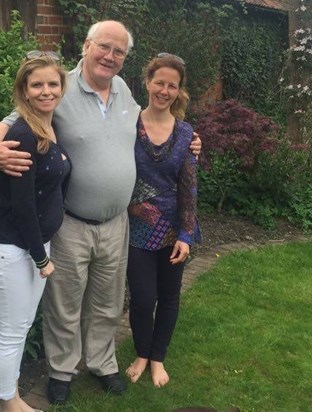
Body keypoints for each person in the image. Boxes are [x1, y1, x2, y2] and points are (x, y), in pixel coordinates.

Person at [0, 20, 202, 405]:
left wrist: (190, 141)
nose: (110, 57)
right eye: (104, 47)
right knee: (64, 302)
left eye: (119, 52)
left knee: (107, 300)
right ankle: (61, 371)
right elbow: (10, 121)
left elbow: (152, 126)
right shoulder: (59, 88)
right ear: (87, 45)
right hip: (70, 221)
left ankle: (102, 363)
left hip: (118, 222)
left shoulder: (123, 91)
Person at [0, 52, 69, 412]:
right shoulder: (23, 134)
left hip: (32, 245)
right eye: (37, 85)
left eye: (53, 83)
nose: (46, 91)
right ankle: (9, 403)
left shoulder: (49, 125)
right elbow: (22, 208)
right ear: (24, 90)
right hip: (13, 248)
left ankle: (10, 398)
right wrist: (41, 257)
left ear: (62, 87)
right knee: (12, 331)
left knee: (20, 326)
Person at [124, 54, 202, 388]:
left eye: (172, 85)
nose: (165, 90)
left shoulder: (186, 134)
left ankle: (157, 358)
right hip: (135, 227)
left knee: (169, 297)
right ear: (147, 82)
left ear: (179, 90)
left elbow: (189, 188)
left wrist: (186, 234)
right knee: (142, 298)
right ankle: (141, 353)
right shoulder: (127, 124)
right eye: (160, 83)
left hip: (173, 229)